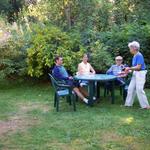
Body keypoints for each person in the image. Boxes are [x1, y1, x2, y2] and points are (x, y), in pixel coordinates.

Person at [124, 41, 150, 109]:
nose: (130, 49)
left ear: (134, 48)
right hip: (136, 73)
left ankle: (146, 106)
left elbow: (138, 67)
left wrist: (129, 68)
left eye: (130, 48)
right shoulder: (135, 55)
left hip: (141, 73)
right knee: (130, 88)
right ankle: (128, 104)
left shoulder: (139, 55)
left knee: (139, 89)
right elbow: (135, 67)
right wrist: (127, 71)